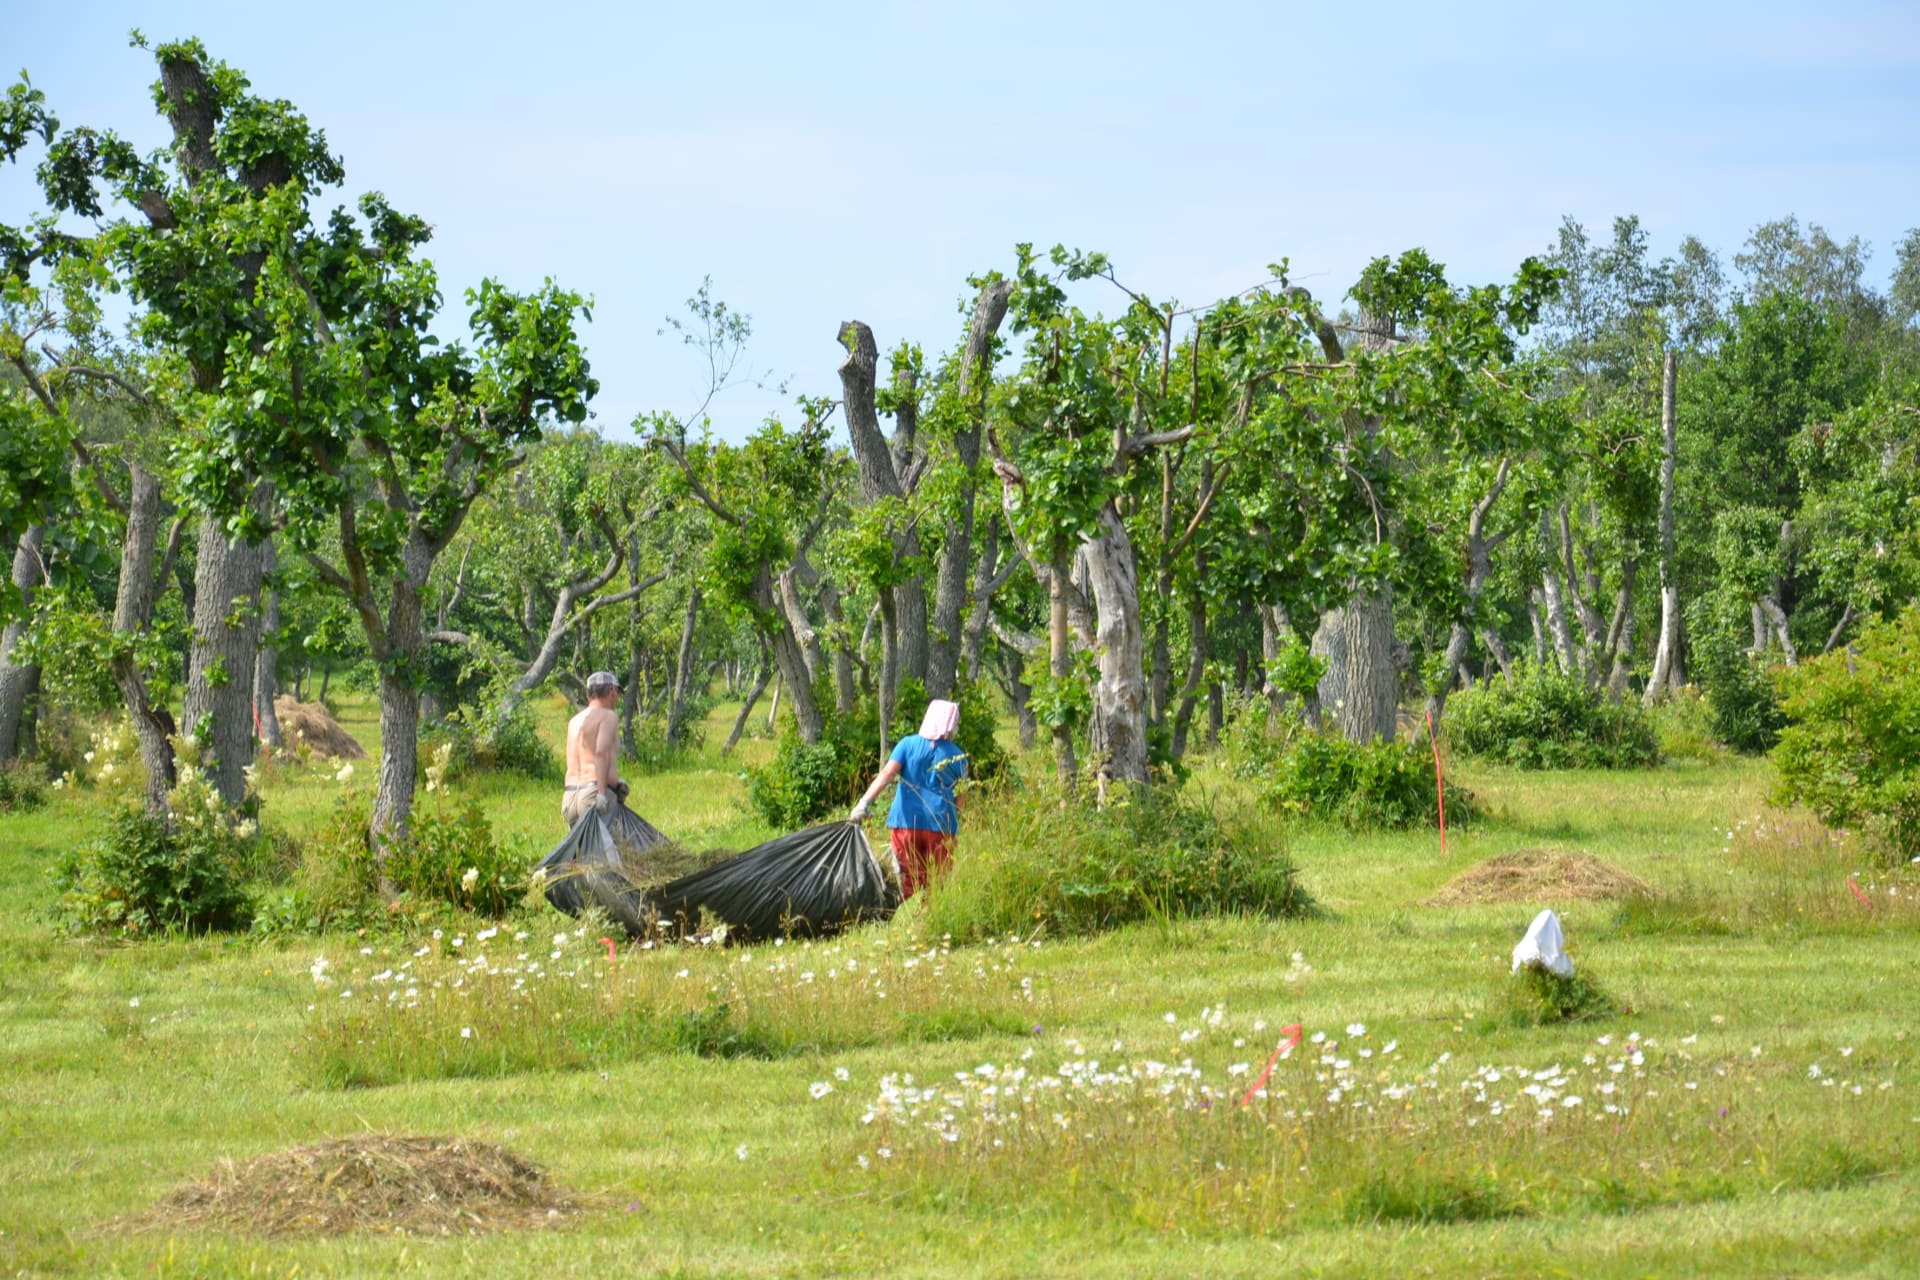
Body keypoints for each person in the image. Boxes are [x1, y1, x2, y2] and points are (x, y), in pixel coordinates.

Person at [849, 699, 967, 899]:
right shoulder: (958, 756)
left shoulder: (907, 744)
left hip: (905, 823)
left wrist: (864, 802)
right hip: (941, 826)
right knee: (937, 882)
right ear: (951, 723)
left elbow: (887, 773)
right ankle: (928, 920)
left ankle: (901, 918)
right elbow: (961, 799)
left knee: (905, 879)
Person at [562, 671, 627, 826]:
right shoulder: (607, 716)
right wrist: (602, 793)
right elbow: (600, 753)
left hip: (570, 798)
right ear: (612, 691)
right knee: (611, 848)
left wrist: (617, 784)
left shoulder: (575, 721)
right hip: (593, 795)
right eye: (617, 693)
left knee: (582, 849)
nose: (616, 698)